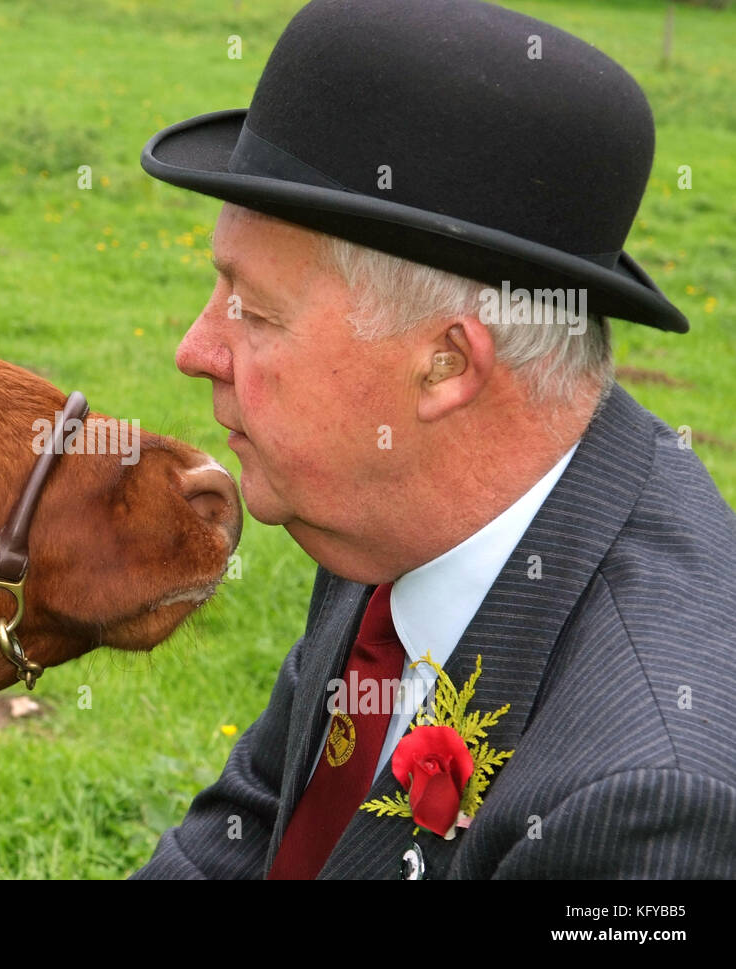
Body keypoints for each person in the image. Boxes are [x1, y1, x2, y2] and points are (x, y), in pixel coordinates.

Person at [132, 0, 736, 879]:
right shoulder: (392, 505)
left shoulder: (648, 803)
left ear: (446, 365)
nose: (195, 351)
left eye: (254, 311)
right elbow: (256, 822)